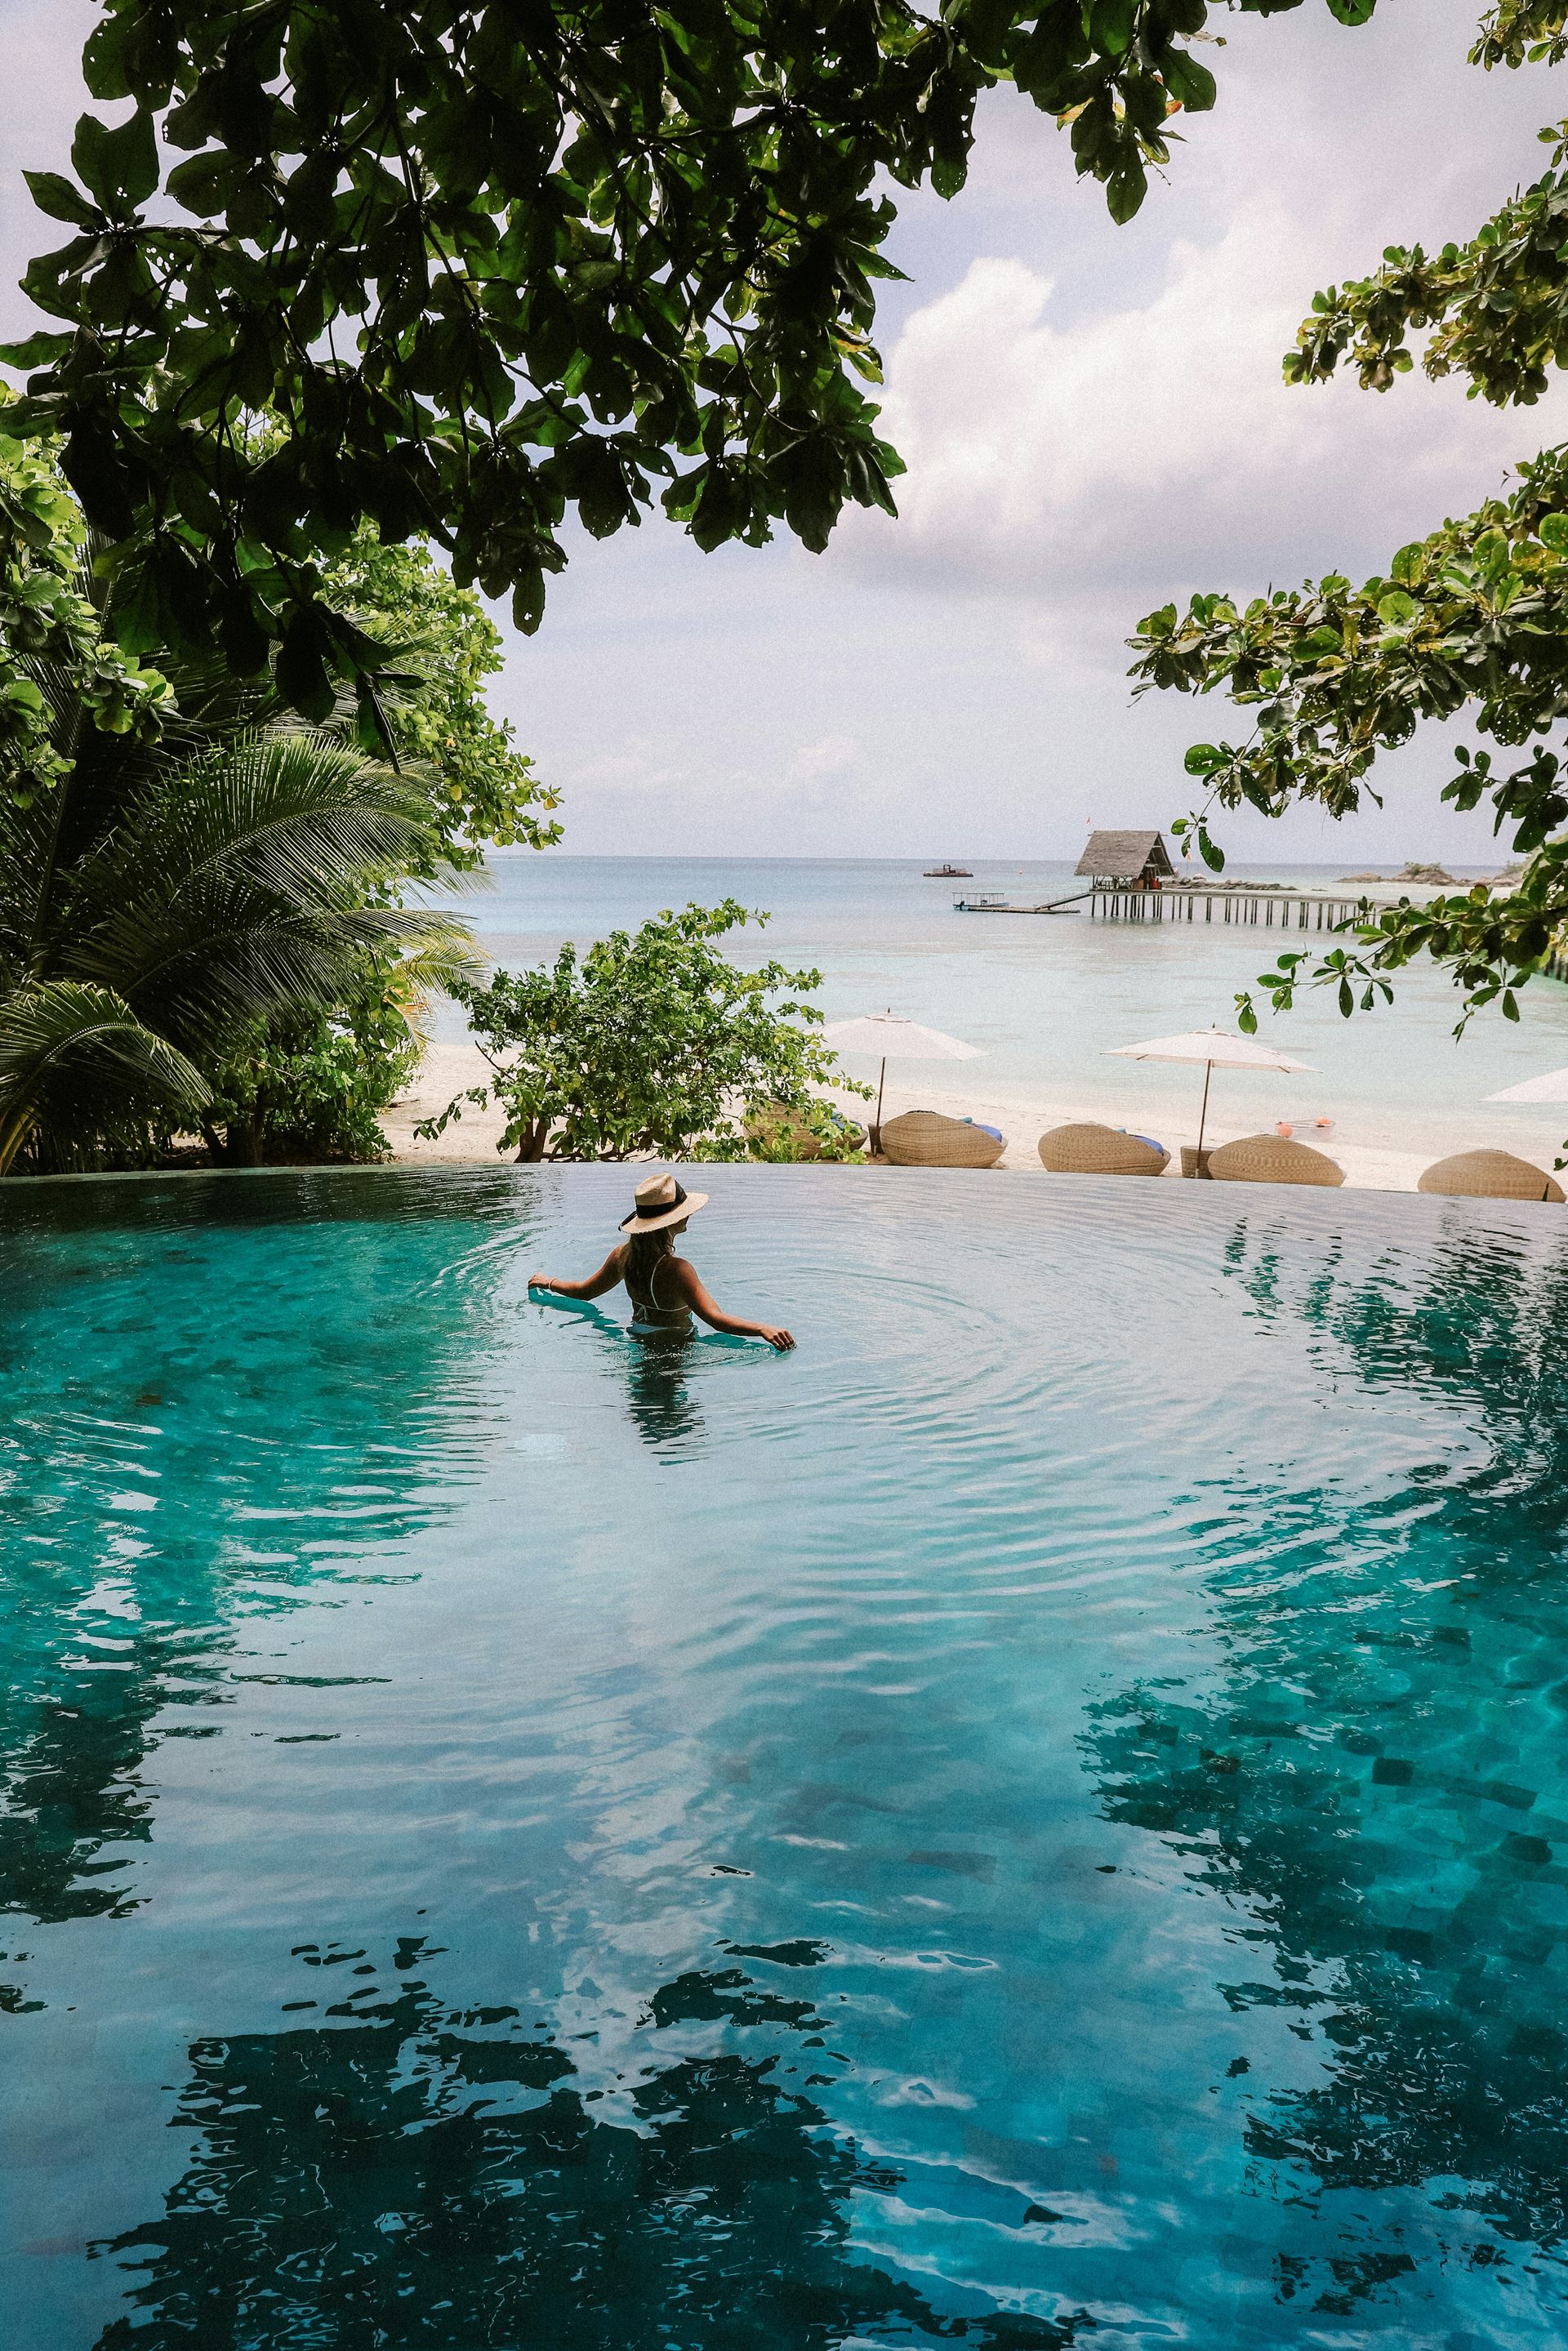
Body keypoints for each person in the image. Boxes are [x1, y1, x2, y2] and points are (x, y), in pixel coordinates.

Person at [528, 1172, 795, 1350]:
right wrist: (763, 1328)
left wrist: (549, 1282)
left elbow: (584, 1292)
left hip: (637, 1341)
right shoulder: (678, 1269)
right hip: (675, 1349)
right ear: (672, 1220)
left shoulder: (623, 1256)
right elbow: (714, 1319)